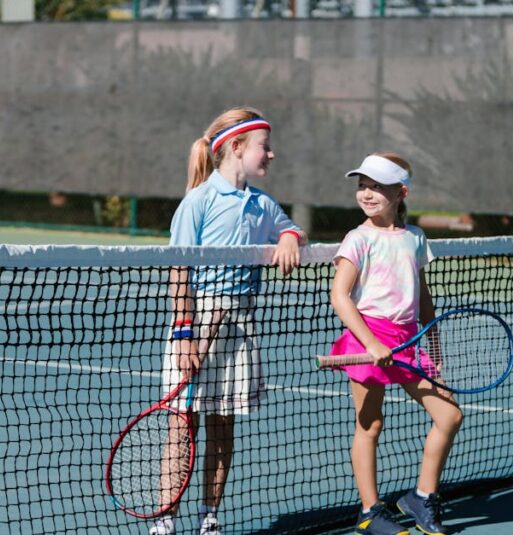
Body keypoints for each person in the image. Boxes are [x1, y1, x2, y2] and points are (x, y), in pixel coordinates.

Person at [151, 107, 307, 535]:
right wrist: (185, 334)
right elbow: (178, 271)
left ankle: (209, 517)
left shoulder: (263, 205)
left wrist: (291, 236)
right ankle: (165, 519)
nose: (271, 155)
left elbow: (291, 229)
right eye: (265, 147)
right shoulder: (197, 202)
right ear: (236, 148)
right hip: (196, 320)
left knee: (223, 426)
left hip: (239, 325)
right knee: (182, 425)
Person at [328, 152, 463, 535]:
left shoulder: (415, 238)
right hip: (367, 335)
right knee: (370, 424)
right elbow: (340, 296)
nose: (367, 193)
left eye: (377, 187)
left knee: (449, 415)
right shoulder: (358, 238)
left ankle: (421, 496)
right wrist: (370, 343)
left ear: (401, 192)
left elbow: (422, 297)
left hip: (407, 342)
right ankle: (370, 512)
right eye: (362, 185)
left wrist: (433, 343)